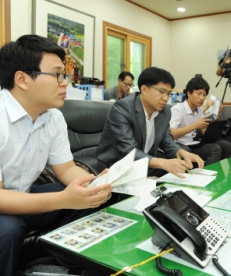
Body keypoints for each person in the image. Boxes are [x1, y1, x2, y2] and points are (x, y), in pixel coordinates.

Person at [0, 34, 112, 276]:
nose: (65, 83)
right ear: (22, 79)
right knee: (7, 228)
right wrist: (64, 199)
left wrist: (92, 184)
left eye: (66, 76)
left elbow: (66, 169)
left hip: (23, 195)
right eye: (58, 75)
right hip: (3, 204)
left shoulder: (53, 116)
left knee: (87, 200)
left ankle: (55, 265)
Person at [96, 67, 204, 178]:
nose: (165, 98)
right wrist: (164, 163)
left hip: (143, 163)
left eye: (169, 93)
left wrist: (181, 152)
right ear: (144, 89)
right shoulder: (123, 108)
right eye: (162, 92)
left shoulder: (165, 111)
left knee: (181, 176)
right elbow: (128, 151)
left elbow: (167, 141)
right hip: (116, 165)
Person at [169, 77, 231, 165]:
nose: (202, 98)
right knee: (215, 149)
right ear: (189, 93)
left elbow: (204, 132)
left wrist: (217, 116)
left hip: (194, 143)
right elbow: (171, 134)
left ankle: (226, 174)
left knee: (226, 145)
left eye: (204, 95)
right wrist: (195, 125)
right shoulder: (178, 109)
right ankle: (207, 175)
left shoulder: (199, 110)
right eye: (199, 93)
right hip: (180, 145)